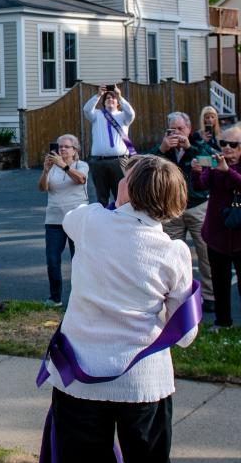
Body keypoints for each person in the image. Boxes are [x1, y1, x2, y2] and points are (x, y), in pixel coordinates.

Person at [42, 155, 198, 463]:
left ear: (129, 190)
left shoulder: (90, 221)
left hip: (80, 383)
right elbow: (184, 335)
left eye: (126, 177)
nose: (120, 179)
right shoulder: (174, 253)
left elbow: (72, 218)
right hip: (144, 386)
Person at [150, 111, 215, 314]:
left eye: (181, 129)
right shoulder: (163, 150)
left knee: (205, 253)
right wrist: (162, 148)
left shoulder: (197, 146)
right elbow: (147, 167)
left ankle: (210, 295)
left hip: (197, 206)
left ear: (188, 129)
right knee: (169, 256)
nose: (177, 133)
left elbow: (212, 162)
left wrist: (190, 148)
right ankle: (174, 296)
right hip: (171, 209)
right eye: (173, 129)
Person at [192, 125, 241, 329]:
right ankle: (223, 322)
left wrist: (227, 171)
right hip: (217, 234)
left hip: (239, 236)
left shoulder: (225, 167)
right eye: (223, 143)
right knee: (220, 282)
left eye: (233, 144)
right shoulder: (215, 162)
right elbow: (200, 185)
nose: (227, 148)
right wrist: (196, 172)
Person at [37, 134, 89, 308]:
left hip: (77, 218)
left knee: (79, 259)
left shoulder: (81, 165)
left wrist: (63, 166)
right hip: (54, 219)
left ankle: (81, 298)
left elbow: (81, 179)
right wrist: (45, 171)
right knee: (52, 259)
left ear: (75, 150)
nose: (62, 150)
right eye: (59, 147)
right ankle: (55, 297)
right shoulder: (52, 167)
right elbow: (42, 188)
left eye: (66, 147)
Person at [83, 84, 136, 206]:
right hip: (99, 162)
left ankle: (121, 221)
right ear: (103, 102)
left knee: (122, 196)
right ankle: (103, 222)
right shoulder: (97, 115)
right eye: (107, 98)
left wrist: (120, 96)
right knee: (101, 198)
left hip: (119, 161)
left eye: (113, 98)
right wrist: (98, 95)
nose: (110, 99)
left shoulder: (123, 116)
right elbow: (86, 109)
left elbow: (131, 113)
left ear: (118, 103)